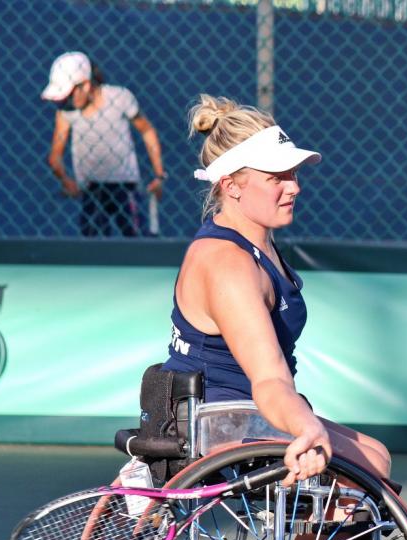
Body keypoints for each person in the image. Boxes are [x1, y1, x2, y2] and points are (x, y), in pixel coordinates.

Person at [164, 95, 391, 491]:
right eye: (276, 178)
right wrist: (305, 426)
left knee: (376, 456)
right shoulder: (228, 264)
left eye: (293, 174)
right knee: (368, 467)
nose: (294, 188)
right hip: (219, 420)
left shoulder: (255, 242)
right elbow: (268, 378)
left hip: (246, 410)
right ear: (231, 186)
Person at [41, 51, 166, 236]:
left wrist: (159, 175)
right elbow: (54, 157)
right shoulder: (65, 112)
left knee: (137, 245)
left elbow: (147, 130)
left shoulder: (120, 97)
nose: (65, 102)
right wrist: (66, 181)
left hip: (126, 186)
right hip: (92, 190)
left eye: (68, 94)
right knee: (92, 250)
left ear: (85, 84)